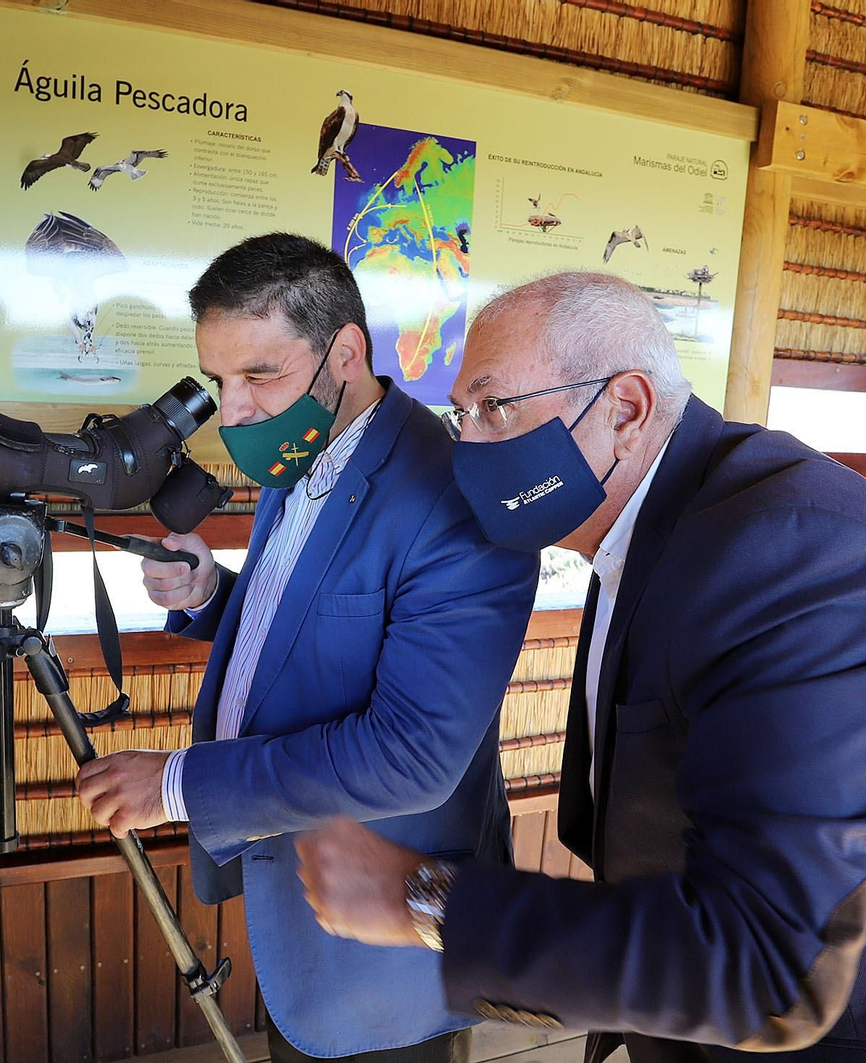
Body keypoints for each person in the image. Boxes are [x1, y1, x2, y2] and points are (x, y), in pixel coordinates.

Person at [293, 271, 866, 1063]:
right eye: (463, 415)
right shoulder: (649, 529)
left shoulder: (799, 558)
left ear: (625, 409)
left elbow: (774, 963)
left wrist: (424, 900)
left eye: (495, 407)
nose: (469, 446)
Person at [75, 234, 538, 1063]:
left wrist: (180, 782)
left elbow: (414, 754)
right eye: (219, 380)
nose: (237, 407)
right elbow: (309, 619)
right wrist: (213, 592)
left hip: (385, 937)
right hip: (295, 888)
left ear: (346, 352)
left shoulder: (454, 501)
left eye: (260, 374)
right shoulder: (305, 451)